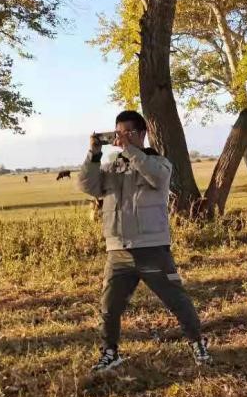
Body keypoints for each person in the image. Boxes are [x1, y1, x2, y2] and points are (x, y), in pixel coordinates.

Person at [78, 110, 211, 372]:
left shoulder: (158, 162)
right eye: (119, 133)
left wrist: (130, 150)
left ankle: (197, 343)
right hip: (118, 250)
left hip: (152, 249)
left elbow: (157, 178)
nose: (122, 137)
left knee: (177, 300)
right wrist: (93, 154)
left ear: (142, 134)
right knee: (109, 307)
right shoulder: (111, 167)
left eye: (128, 132)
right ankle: (110, 352)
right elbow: (87, 186)